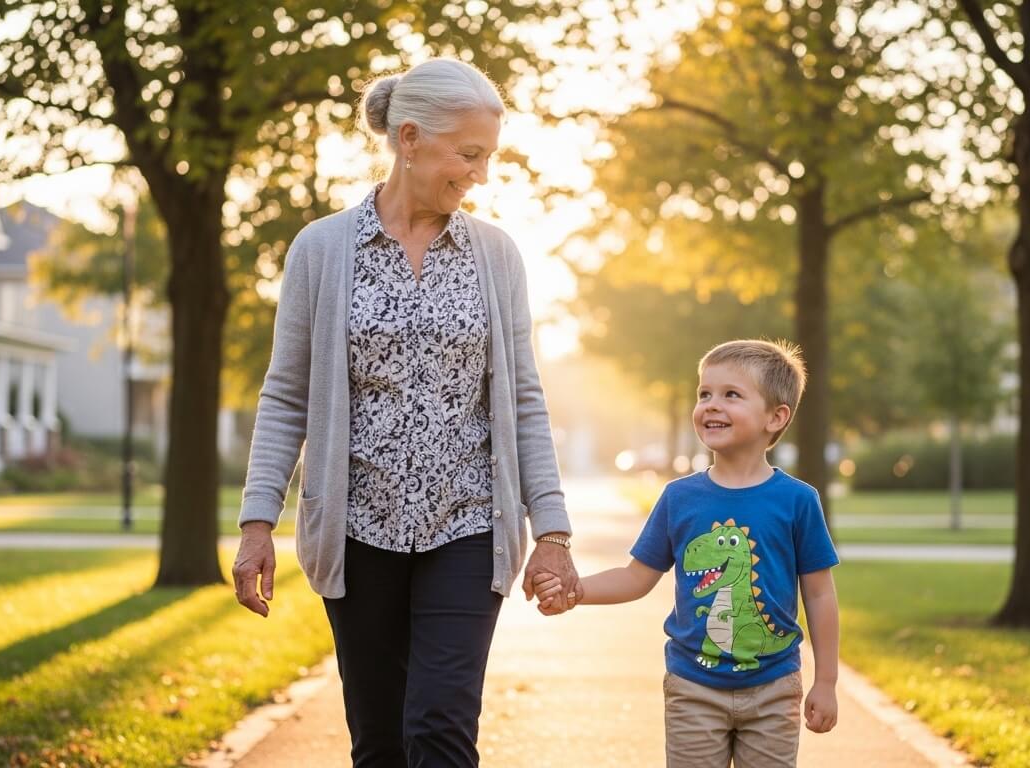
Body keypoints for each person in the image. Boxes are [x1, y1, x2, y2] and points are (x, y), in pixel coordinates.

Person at [231, 57, 579, 768]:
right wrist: (256, 522)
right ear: (410, 139)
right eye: (469, 154)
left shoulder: (497, 256)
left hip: (468, 524)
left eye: (487, 157)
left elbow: (523, 399)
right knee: (381, 742)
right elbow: (286, 393)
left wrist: (554, 530)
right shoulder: (321, 251)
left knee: (441, 731)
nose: (479, 174)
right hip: (357, 533)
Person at [537, 339, 840, 767]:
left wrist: (825, 681)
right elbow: (636, 577)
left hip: (775, 685)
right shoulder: (679, 498)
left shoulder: (798, 501)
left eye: (731, 394)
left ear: (776, 417)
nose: (711, 405)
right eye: (704, 394)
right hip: (693, 685)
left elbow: (821, 594)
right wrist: (574, 590)